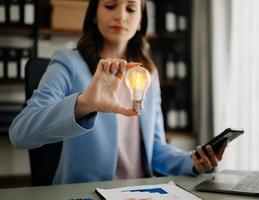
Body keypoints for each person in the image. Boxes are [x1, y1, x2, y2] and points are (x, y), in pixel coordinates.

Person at [9, 0, 226, 184]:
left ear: (141, 20)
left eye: (131, 9)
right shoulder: (68, 63)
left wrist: (194, 162)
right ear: (94, 14)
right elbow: (20, 134)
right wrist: (84, 103)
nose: (121, 16)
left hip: (140, 192)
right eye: (110, 5)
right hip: (87, 192)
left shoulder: (147, 73)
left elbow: (155, 149)